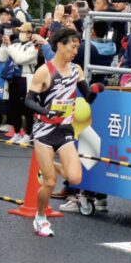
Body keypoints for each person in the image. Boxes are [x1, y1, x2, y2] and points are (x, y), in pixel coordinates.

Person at [24, 28, 102, 237]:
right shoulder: (45, 71)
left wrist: (95, 90)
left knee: (75, 178)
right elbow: (28, 101)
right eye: (73, 47)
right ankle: (40, 218)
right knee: (49, 183)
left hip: (65, 129)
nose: (75, 51)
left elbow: (88, 97)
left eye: (77, 47)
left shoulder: (77, 70)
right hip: (44, 131)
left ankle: (51, 166)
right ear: (59, 45)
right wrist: (46, 111)